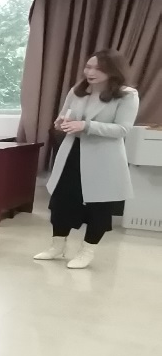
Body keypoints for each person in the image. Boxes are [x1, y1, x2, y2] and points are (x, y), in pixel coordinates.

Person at [34, 49, 138, 270]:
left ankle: (87, 251)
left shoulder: (127, 95)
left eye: (98, 69)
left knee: (98, 206)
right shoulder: (78, 91)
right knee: (62, 201)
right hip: (72, 153)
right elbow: (64, 116)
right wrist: (61, 123)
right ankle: (57, 246)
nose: (90, 72)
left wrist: (87, 125)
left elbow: (122, 129)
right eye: (88, 67)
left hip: (103, 158)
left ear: (113, 71)